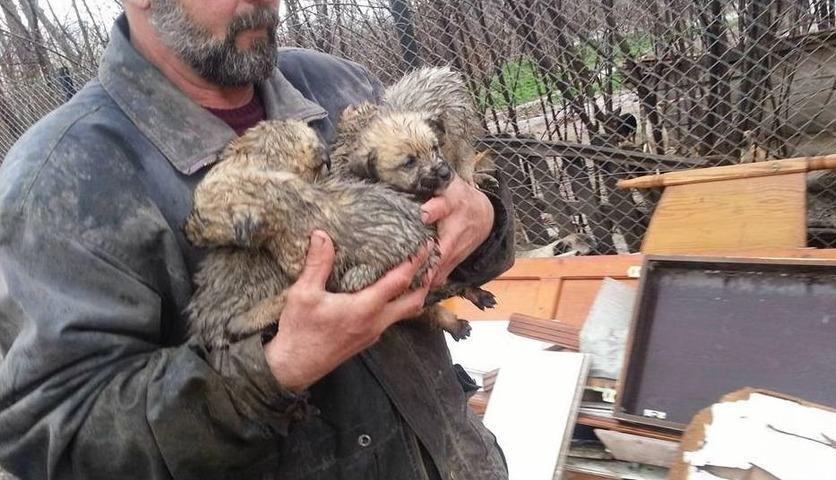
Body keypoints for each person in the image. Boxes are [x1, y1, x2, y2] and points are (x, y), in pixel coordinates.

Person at [0, 1, 514, 479]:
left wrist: (485, 218)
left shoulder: (335, 84)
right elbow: (53, 436)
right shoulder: (58, 180)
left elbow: (472, 245)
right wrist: (276, 370)